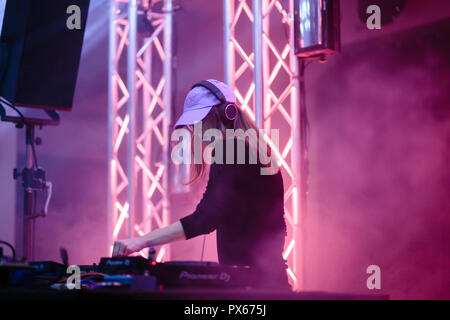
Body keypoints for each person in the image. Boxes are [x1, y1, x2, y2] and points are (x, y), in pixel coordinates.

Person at [112, 79, 290, 291]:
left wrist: (140, 242)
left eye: (200, 121)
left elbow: (205, 219)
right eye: (192, 124)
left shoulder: (231, 148)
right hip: (264, 282)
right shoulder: (254, 148)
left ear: (225, 113)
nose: (196, 130)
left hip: (255, 287)